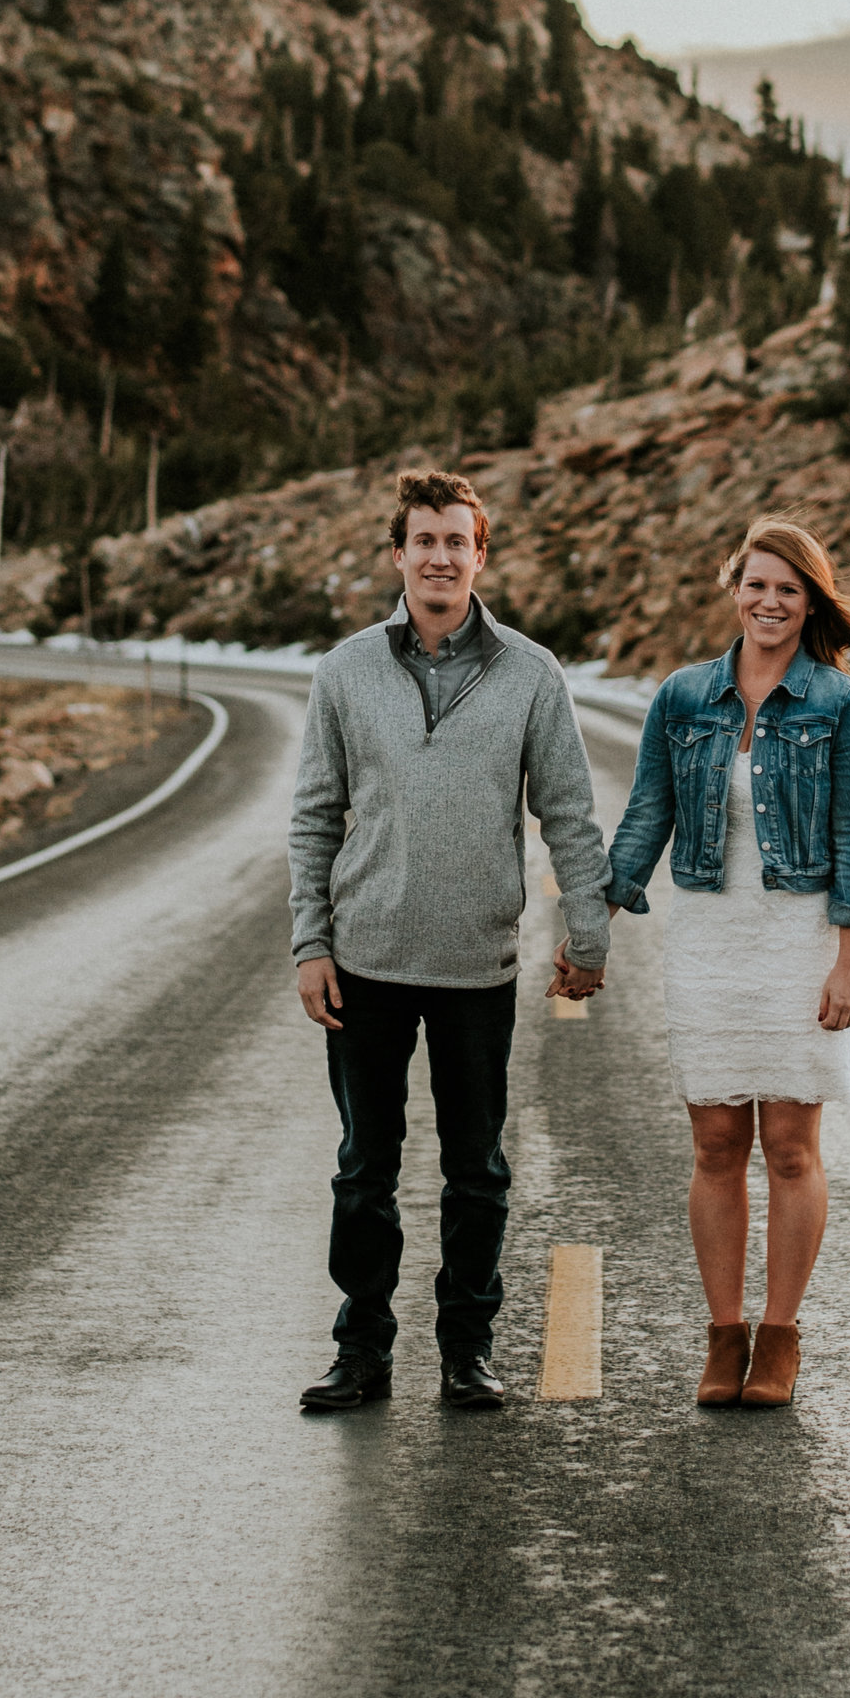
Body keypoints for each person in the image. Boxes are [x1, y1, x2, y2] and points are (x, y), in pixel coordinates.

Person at [289, 466, 612, 1413]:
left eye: (456, 540)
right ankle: (362, 1350)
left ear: (480, 555)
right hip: (366, 964)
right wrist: (312, 943)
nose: (439, 555)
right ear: (398, 554)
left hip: (477, 965)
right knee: (365, 1169)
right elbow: (313, 817)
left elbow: (568, 814)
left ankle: (468, 1346)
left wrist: (585, 933)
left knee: (477, 1170)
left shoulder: (531, 674)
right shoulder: (345, 671)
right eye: (422, 539)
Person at [604, 517, 850, 1411]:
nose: (770, 602)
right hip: (708, 941)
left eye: (788, 590)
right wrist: (590, 922)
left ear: (811, 604)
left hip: (798, 941)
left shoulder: (840, 704)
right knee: (716, 1142)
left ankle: (780, 1337)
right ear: (735, 586)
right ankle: (723, 1335)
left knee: (792, 1148)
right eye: (757, 583)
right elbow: (645, 818)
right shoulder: (684, 697)